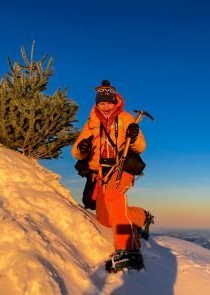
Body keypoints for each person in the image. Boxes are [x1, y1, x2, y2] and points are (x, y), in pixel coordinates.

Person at [72, 80, 154, 272]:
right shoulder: (91, 122)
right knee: (105, 218)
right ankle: (140, 216)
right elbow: (76, 151)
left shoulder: (126, 119)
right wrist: (82, 149)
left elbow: (141, 146)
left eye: (109, 103)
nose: (106, 107)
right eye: (102, 103)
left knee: (113, 198)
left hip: (122, 167)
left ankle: (126, 249)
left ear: (115, 102)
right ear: (97, 104)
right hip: (100, 173)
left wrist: (133, 136)